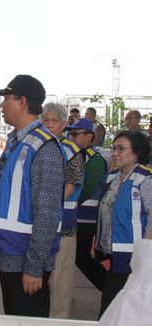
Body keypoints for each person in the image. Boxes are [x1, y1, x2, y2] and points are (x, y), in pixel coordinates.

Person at [0, 75, 65, 317]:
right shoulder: (18, 141)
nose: (1, 105)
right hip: (11, 251)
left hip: (26, 260)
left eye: (6, 98)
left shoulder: (44, 148)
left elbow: (48, 214)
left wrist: (35, 267)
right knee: (14, 316)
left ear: (22, 102)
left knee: (28, 318)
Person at [95, 130, 151, 317]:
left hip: (134, 258)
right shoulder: (113, 177)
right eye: (114, 148)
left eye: (121, 149)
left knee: (114, 310)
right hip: (115, 254)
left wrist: (146, 254)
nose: (115, 153)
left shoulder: (145, 178)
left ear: (136, 153)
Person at [41, 103, 85, 319]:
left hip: (63, 226)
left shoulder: (72, 151)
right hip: (37, 225)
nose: (49, 125)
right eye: (45, 120)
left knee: (60, 281)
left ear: (64, 123)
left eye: (54, 121)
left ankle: (58, 320)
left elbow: (71, 185)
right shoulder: (35, 146)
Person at [69, 118, 108, 292]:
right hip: (77, 215)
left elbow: (89, 187)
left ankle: (107, 286)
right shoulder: (78, 156)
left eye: (76, 134)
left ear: (89, 136)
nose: (72, 137)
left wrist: (67, 201)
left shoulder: (95, 159)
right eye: (71, 134)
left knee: (81, 257)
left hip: (86, 218)